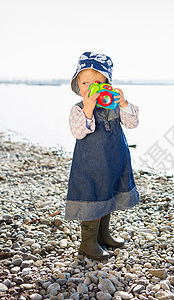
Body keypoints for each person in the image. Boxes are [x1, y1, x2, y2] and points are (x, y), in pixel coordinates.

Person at [65, 52, 140, 260]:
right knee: (92, 198)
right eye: (86, 83)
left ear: (107, 84)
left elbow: (132, 124)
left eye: (98, 82)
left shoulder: (114, 104)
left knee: (108, 196)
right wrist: (88, 109)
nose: (91, 87)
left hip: (114, 160)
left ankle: (103, 235)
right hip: (90, 165)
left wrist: (124, 103)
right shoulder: (78, 109)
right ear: (78, 86)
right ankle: (87, 244)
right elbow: (78, 132)